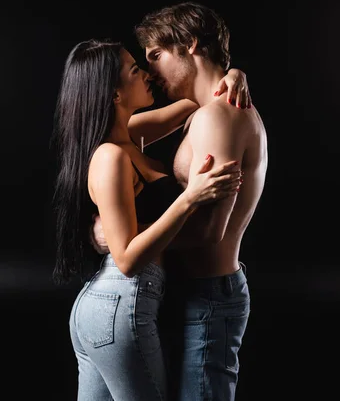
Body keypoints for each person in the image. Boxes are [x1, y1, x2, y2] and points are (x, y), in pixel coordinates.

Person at [51, 37, 250, 401]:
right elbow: (126, 259)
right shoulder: (111, 156)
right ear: (114, 94)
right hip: (122, 302)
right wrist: (189, 199)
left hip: (108, 307)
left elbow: (200, 96)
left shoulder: (133, 133)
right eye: (134, 70)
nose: (147, 74)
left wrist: (235, 75)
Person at [92, 2, 268, 400]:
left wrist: (128, 241)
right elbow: (115, 130)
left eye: (156, 55)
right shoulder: (204, 111)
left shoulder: (217, 117)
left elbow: (209, 231)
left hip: (207, 297)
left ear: (190, 45)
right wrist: (234, 72)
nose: (151, 70)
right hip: (192, 295)